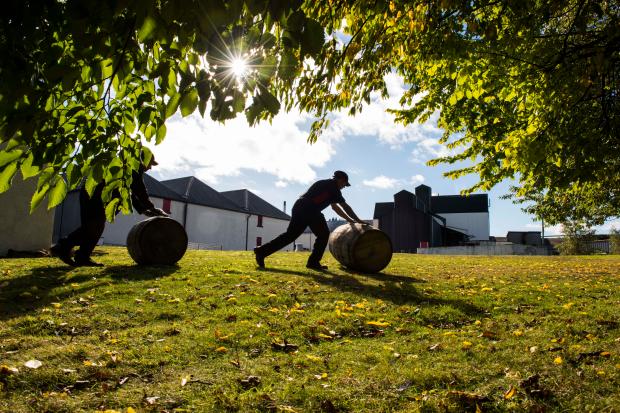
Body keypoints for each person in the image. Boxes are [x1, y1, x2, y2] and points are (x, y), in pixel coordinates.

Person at [50, 154, 167, 267]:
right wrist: (150, 207)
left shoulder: (126, 167)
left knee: (93, 227)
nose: (150, 167)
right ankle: (63, 247)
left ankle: (81, 256)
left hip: (91, 194)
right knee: (93, 226)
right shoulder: (133, 166)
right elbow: (138, 188)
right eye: (150, 164)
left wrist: (144, 209)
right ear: (143, 160)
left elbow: (128, 193)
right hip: (97, 195)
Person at [254, 170, 365, 270]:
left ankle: (261, 251)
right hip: (309, 209)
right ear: (341, 180)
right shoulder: (333, 188)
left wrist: (349, 219)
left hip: (300, 206)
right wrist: (357, 220)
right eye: (345, 184)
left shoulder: (326, 185)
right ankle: (313, 262)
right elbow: (344, 207)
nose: (344, 187)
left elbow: (335, 207)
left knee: (290, 235)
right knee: (323, 234)